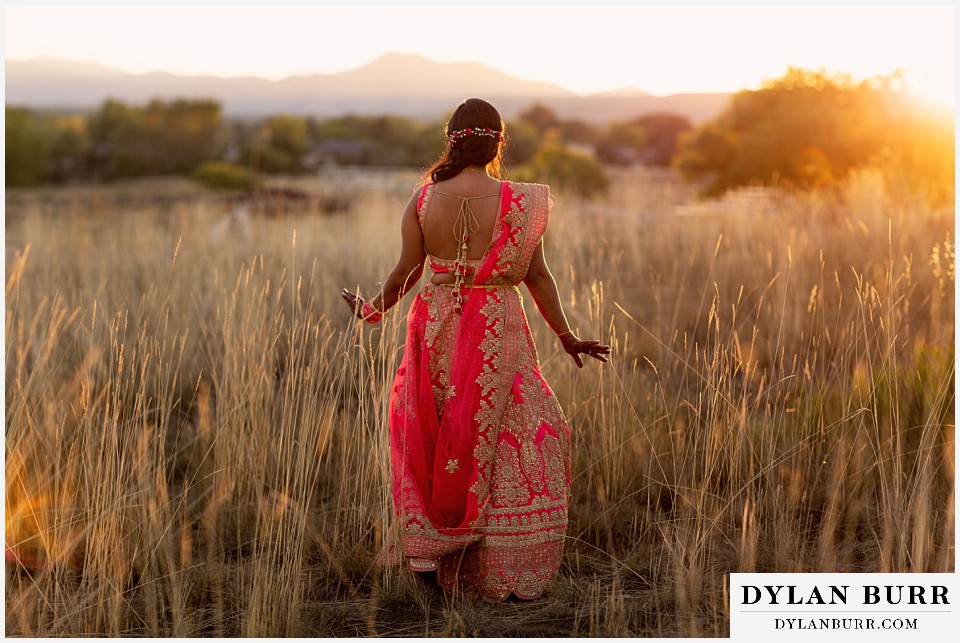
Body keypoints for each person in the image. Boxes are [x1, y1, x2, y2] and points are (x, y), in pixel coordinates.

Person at [341, 98, 609, 602]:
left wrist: (373, 311)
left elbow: (406, 273)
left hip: (436, 325)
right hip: (496, 324)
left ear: (451, 141)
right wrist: (566, 336)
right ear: (498, 143)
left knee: (437, 430)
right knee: (518, 429)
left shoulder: (423, 200)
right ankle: (498, 557)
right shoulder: (521, 201)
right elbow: (538, 277)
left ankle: (434, 552)